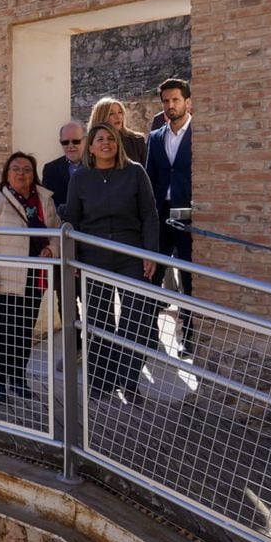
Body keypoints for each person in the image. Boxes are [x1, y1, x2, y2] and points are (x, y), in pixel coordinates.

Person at [65, 124, 159, 403]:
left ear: (118, 144)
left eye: (110, 139)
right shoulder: (80, 179)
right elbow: (73, 220)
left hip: (132, 253)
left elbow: (149, 215)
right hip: (94, 256)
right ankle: (102, 383)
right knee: (98, 320)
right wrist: (75, 260)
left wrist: (150, 253)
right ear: (90, 148)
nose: (105, 143)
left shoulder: (135, 173)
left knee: (136, 318)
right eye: (99, 139)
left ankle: (129, 382)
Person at [0, 152, 60, 403]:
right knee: (4, 331)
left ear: (34, 174)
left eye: (26, 169)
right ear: (7, 173)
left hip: (35, 277)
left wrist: (52, 250)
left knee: (25, 332)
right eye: (15, 168)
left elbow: (56, 233)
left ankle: (18, 379)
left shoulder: (44, 200)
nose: (21, 173)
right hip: (6, 277)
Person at [145, 78, 194, 354]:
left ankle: (188, 337)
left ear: (187, 102)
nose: (170, 105)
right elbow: (151, 178)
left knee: (189, 279)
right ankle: (150, 336)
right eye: (166, 101)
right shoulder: (155, 137)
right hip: (162, 216)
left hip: (190, 217)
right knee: (153, 276)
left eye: (175, 100)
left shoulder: (199, 133)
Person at [41, 121, 85, 217]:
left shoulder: (97, 165)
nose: (70, 146)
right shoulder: (50, 170)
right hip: (62, 227)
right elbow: (48, 204)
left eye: (75, 141)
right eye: (65, 142)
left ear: (85, 140)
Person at [88, 96, 147, 165]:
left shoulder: (137, 140)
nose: (118, 117)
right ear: (101, 117)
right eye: (111, 113)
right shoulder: (90, 142)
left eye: (120, 112)